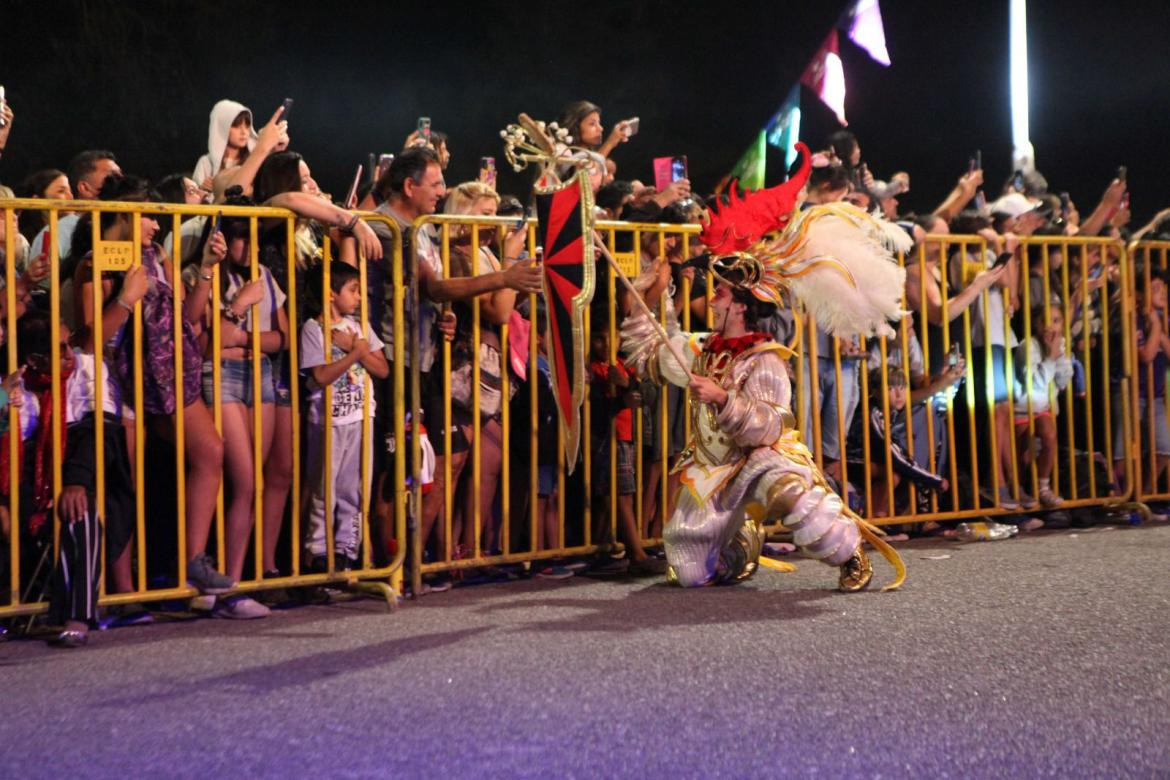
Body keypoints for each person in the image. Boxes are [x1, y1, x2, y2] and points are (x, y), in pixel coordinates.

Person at [620, 144, 905, 591]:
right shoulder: (701, 349)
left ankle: (851, 556)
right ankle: (740, 545)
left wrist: (723, 399)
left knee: (792, 493)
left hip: (760, 459)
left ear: (740, 306)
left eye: (720, 293)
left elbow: (770, 426)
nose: (711, 297)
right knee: (689, 575)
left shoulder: (765, 359)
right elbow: (651, 353)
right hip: (711, 471)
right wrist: (649, 299)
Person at [301, 261, 388, 571]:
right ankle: (318, 552)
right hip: (328, 421)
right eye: (353, 290)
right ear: (330, 293)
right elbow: (321, 376)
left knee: (354, 488)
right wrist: (354, 354)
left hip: (360, 417)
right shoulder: (314, 328)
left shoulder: (359, 327)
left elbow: (382, 369)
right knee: (324, 487)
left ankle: (346, 552)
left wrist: (358, 350)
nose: (360, 297)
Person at [1014, 305, 1073, 509]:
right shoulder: (1027, 346)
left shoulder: (1060, 345)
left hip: (1043, 407)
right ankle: (1018, 491)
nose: (1051, 327)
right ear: (1036, 325)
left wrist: (1057, 354)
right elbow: (1035, 382)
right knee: (1022, 456)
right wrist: (1051, 356)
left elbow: (1064, 380)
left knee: (1050, 437)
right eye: (1045, 321)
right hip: (1021, 407)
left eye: (1056, 320)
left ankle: (1043, 488)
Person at [192, 99, 257, 192]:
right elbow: (193, 200)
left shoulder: (253, 162)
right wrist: (202, 190)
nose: (244, 132)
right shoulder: (206, 163)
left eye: (247, 126)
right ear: (222, 128)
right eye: (236, 126)